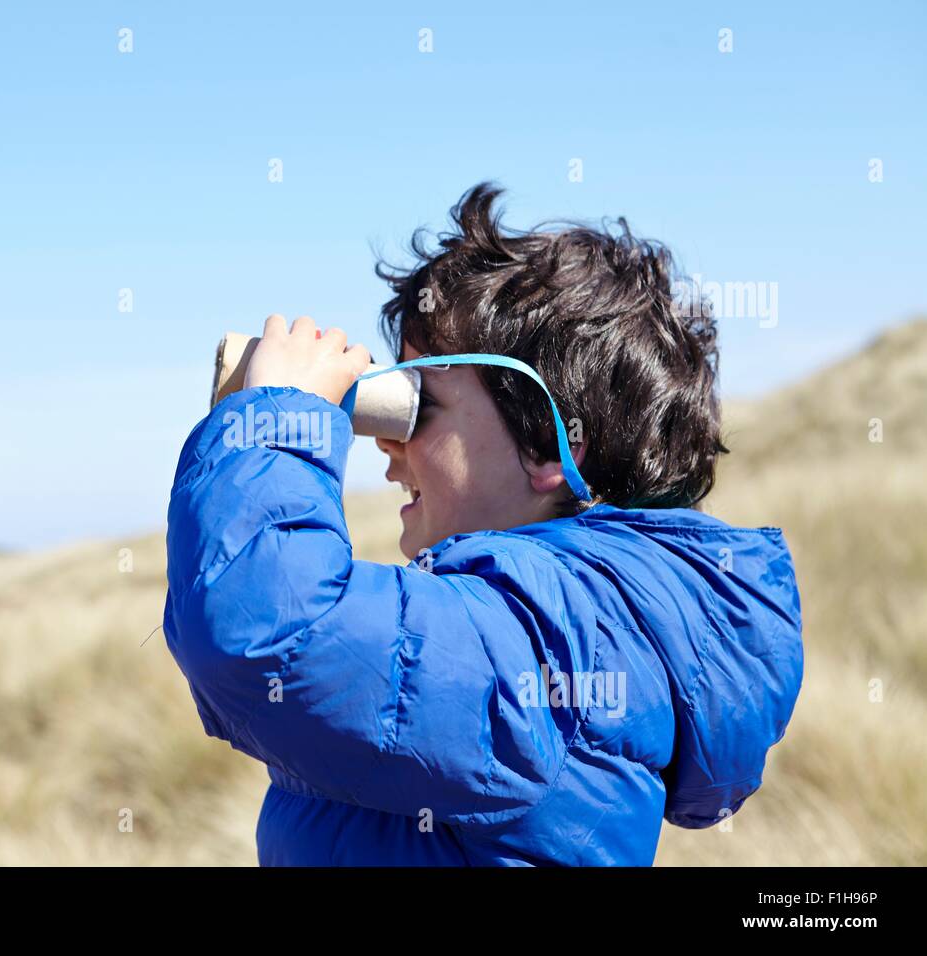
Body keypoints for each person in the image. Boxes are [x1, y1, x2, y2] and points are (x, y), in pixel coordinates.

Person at [163, 183, 804, 865]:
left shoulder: (557, 645)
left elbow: (268, 636)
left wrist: (280, 418)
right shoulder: (571, 624)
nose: (387, 443)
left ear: (551, 448)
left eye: (420, 406)